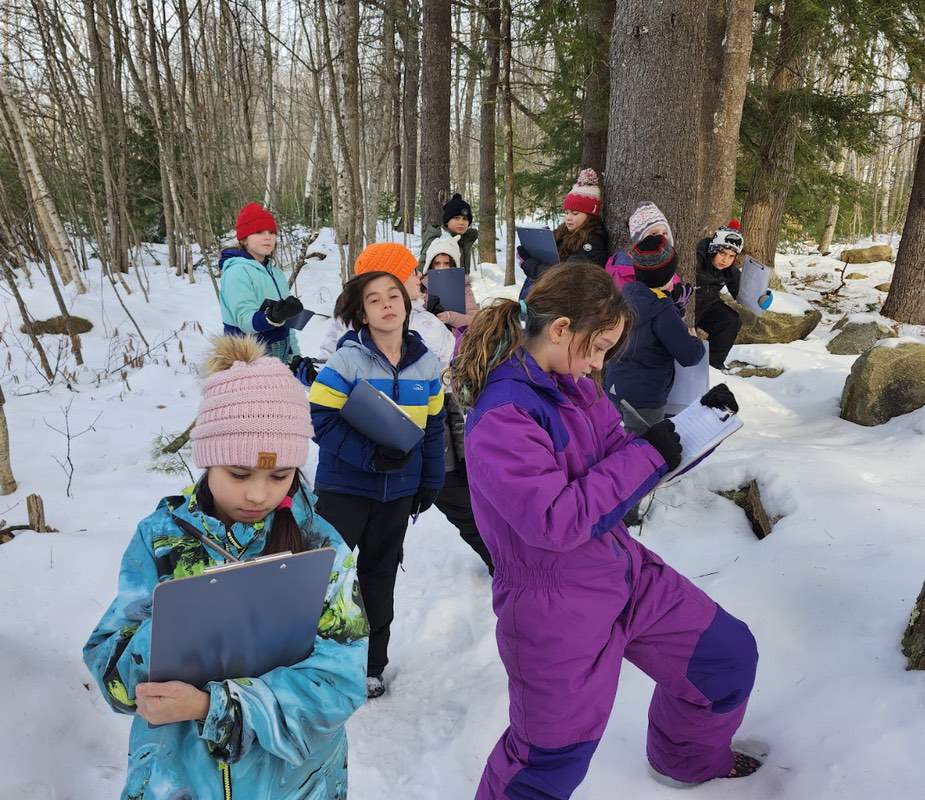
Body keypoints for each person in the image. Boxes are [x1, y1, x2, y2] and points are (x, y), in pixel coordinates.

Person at [451, 263, 761, 797]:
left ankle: (685, 761)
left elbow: (618, 460)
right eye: (597, 348)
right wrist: (646, 457)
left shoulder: (577, 388)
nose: (599, 365)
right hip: (552, 606)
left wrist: (683, 435)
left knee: (725, 658)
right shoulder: (504, 415)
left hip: (622, 571)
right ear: (561, 328)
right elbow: (554, 519)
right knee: (549, 758)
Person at [84, 335, 368, 800]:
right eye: (238, 474)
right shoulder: (160, 540)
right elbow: (110, 670)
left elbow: (342, 679)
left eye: (279, 476)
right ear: (208, 461)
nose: (258, 495)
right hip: (179, 777)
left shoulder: (321, 546)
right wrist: (174, 623)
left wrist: (213, 705)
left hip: (293, 783)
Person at [309, 271, 446, 698]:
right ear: (362, 314)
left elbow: (436, 426)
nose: (387, 304)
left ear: (407, 306)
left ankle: (372, 664)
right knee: (325, 575)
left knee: (380, 574)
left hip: (397, 492)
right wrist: (368, 456)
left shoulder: (426, 365)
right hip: (344, 487)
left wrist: (429, 480)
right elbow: (322, 420)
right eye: (374, 300)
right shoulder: (346, 361)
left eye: (394, 295)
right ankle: (310, 657)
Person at [605, 234, 705, 430]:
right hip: (644, 397)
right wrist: (695, 342)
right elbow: (689, 355)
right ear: (668, 275)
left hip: (614, 386)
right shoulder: (661, 308)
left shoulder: (624, 295)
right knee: (646, 447)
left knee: (617, 440)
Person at [318, 242, 455, 367]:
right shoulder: (348, 321)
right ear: (395, 280)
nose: (419, 275)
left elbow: (446, 376)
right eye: (413, 270)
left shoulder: (426, 321)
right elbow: (325, 373)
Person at [219, 203, 305, 370]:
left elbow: (287, 323)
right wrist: (271, 317)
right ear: (243, 239)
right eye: (259, 232)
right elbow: (244, 320)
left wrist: (295, 358)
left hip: (279, 352)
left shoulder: (275, 272)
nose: (268, 237)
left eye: (271, 232)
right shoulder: (237, 271)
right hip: (246, 358)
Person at [518, 168, 608, 298]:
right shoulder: (562, 233)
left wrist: (531, 265)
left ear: (590, 215)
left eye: (575, 213)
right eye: (566, 213)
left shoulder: (593, 242)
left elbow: (566, 276)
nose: (568, 218)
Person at [695, 220, 772, 370]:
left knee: (731, 320)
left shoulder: (729, 270)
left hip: (708, 306)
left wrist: (761, 299)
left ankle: (714, 364)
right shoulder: (697, 259)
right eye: (722, 253)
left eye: (731, 256)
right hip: (686, 304)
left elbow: (741, 294)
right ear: (713, 249)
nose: (725, 260)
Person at [421, 235, 480, 330]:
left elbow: (475, 320)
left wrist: (450, 317)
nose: (442, 267)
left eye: (446, 263)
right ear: (431, 265)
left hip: (456, 339)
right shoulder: (421, 287)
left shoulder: (464, 288)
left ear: (453, 265)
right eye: (437, 263)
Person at [419, 193, 479, 275]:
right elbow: (422, 271)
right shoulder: (439, 240)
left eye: (465, 219)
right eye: (456, 218)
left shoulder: (464, 239)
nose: (461, 222)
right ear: (447, 220)